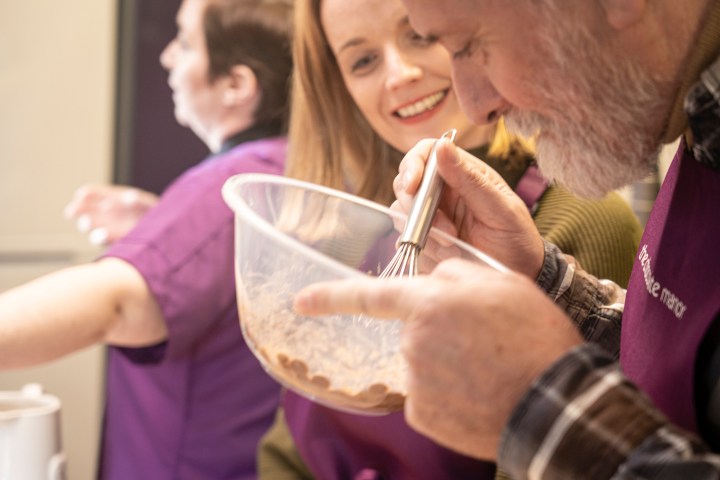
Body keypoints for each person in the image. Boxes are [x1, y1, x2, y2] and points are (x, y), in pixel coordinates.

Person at [293, 0, 720, 478]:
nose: (478, 103)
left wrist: (546, 406)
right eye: (362, 60)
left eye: (469, 43)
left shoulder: (580, 209)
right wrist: (541, 281)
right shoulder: (703, 129)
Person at [0, 0, 293, 478]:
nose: (167, 58)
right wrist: (163, 225)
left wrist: (165, 242)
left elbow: (113, 303)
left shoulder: (230, 182)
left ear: (237, 84)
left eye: (184, 42)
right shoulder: (287, 172)